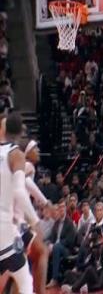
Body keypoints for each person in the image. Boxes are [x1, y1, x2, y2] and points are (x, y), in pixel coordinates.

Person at [0, 113, 41, 294]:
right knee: (25, 281)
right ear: (21, 132)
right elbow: (19, 191)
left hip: (9, 228)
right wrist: (35, 220)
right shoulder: (16, 154)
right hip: (4, 226)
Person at [14, 139, 50, 294]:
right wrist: (45, 202)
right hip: (15, 222)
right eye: (35, 148)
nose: (38, 150)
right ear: (28, 152)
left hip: (15, 221)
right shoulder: (28, 166)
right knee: (41, 252)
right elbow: (26, 182)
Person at [47, 199, 77, 288]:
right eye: (60, 207)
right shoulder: (56, 223)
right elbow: (52, 238)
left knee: (56, 247)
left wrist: (56, 244)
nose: (61, 209)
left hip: (67, 250)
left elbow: (70, 241)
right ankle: (44, 278)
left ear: (66, 208)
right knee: (45, 249)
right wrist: (50, 244)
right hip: (56, 247)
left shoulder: (69, 222)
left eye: (63, 206)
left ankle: (55, 279)